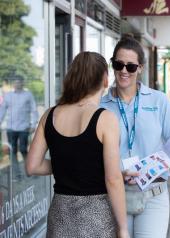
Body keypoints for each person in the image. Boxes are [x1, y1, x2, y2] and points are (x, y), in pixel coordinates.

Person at [100, 35, 170, 238]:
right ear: (112, 64)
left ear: (140, 68)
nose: (123, 71)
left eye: (130, 67)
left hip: (153, 195)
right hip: (114, 193)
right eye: (118, 64)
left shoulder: (158, 101)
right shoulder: (101, 105)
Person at [25, 52, 129, 238]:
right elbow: (113, 179)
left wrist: (66, 164)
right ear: (105, 80)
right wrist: (123, 228)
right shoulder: (105, 119)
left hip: (59, 214)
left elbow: (33, 166)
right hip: (97, 217)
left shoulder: (49, 115)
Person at [0, 75, 38, 180]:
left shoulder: (28, 95)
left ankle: (30, 170)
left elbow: (34, 110)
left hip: (24, 128)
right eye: (15, 82)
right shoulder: (8, 96)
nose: (17, 84)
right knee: (13, 151)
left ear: (22, 83)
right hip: (11, 129)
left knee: (23, 149)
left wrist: (33, 124)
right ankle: (17, 175)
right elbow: (2, 110)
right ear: (13, 84)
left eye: (19, 82)